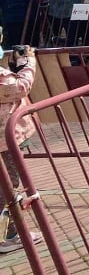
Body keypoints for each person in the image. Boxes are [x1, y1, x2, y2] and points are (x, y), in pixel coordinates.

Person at [0, 44, 42, 253]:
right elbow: (20, 87)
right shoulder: (1, 78)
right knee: (8, 187)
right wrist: (28, 62)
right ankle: (7, 236)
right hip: (4, 142)